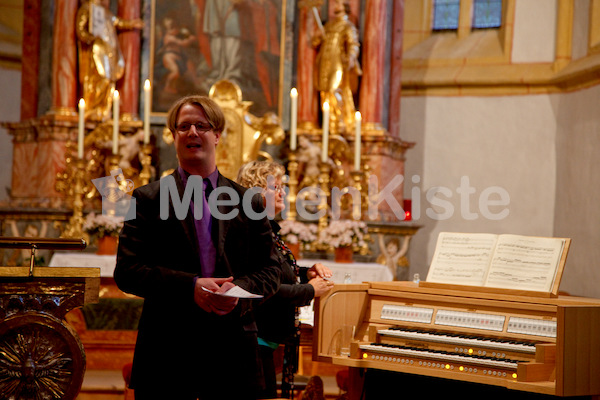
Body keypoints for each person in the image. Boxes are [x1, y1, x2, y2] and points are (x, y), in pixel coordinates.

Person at [114, 95, 282, 400]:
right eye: (184, 126)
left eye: (201, 126)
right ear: (174, 136)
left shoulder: (250, 201)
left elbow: (271, 271)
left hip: (233, 350)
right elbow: (127, 271)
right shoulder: (146, 199)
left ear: (217, 135)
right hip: (167, 350)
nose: (192, 132)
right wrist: (189, 286)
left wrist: (237, 291)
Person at [236, 160, 334, 399]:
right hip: (249, 341)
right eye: (274, 187)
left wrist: (305, 272)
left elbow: (274, 270)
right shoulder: (248, 231)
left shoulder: (267, 229)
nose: (282, 192)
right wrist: (309, 291)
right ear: (256, 191)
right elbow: (262, 288)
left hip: (263, 340)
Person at [75, 0, 142, 121]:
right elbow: (80, 30)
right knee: (100, 78)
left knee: (109, 79)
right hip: (97, 50)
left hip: (109, 49)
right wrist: (92, 39)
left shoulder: (104, 11)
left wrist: (132, 23)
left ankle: (103, 110)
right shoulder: (87, 8)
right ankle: (93, 108)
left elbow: (117, 21)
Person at [312, 0, 362, 134]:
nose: (335, 5)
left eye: (338, 3)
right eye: (335, 3)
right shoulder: (328, 26)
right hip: (324, 62)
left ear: (345, 7)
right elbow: (315, 42)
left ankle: (339, 122)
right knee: (324, 91)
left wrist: (351, 57)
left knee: (335, 90)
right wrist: (317, 37)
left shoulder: (347, 26)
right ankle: (329, 123)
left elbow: (353, 44)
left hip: (337, 62)